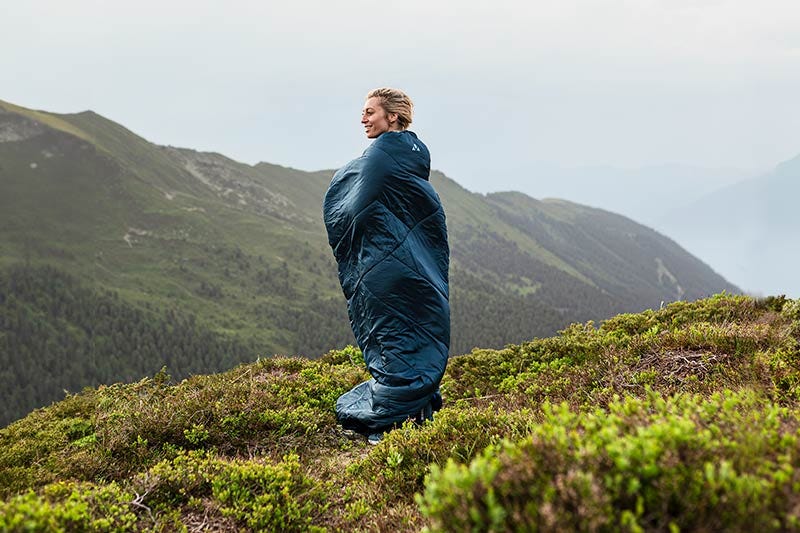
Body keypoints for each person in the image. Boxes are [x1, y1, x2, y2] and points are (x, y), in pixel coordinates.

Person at [323, 88, 450, 444]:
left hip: (382, 265)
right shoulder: (414, 153)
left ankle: (393, 417)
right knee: (415, 327)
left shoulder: (379, 155)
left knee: (390, 334)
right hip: (414, 262)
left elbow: (352, 205)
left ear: (391, 116)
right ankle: (417, 407)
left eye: (369, 112)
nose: (363, 119)